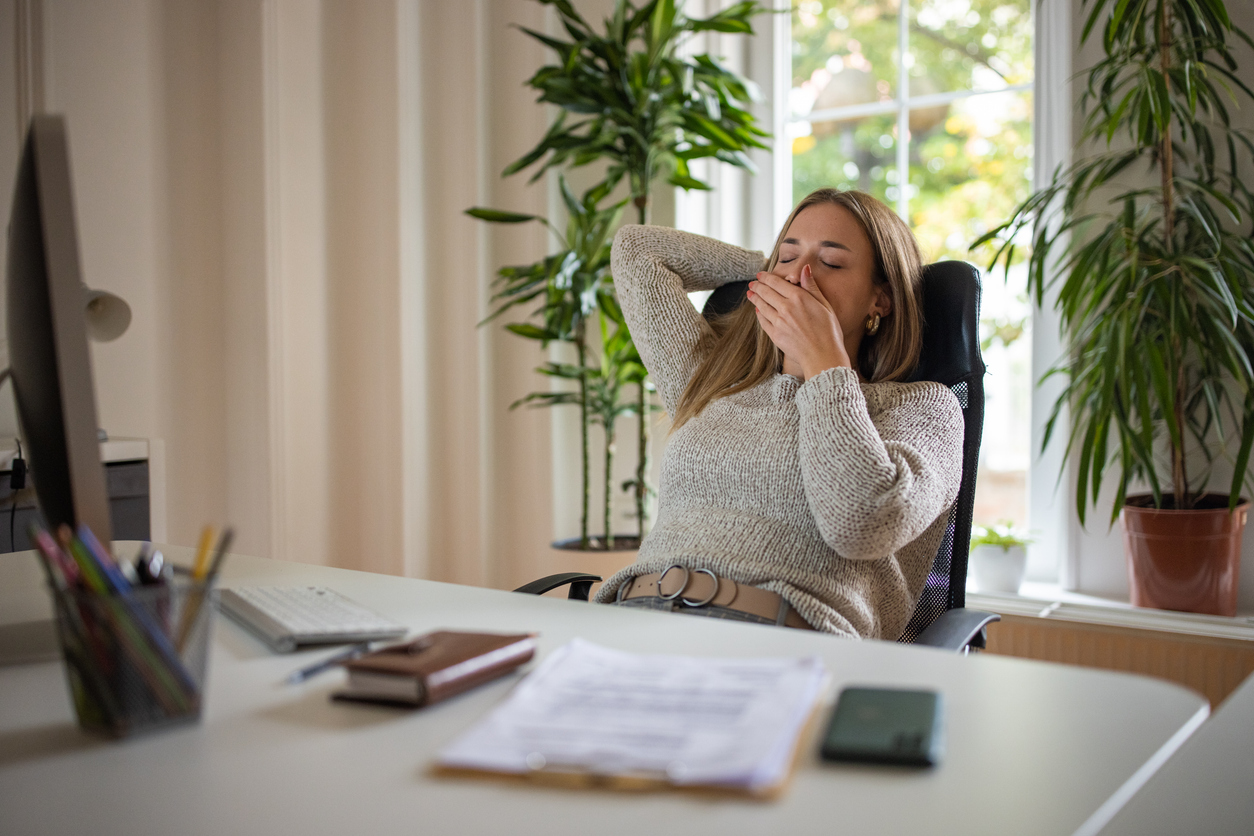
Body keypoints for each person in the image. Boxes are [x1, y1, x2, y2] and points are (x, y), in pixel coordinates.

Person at [594, 188, 964, 639]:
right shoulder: (711, 382)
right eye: (788, 258)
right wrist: (767, 268)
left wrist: (824, 361)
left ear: (879, 300)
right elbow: (638, 251)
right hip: (629, 621)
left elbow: (861, 523)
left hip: (778, 641)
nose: (798, 276)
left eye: (831, 263)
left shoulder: (924, 406)